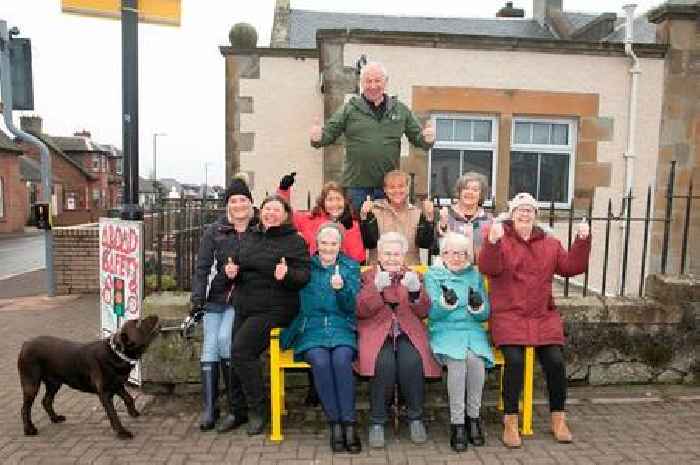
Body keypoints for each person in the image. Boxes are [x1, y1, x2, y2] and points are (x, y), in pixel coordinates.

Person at [479, 192, 591, 448]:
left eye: (530, 210)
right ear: (512, 214)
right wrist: (492, 242)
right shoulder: (501, 238)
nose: (525, 213)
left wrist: (582, 240)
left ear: (536, 216)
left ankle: (558, 418)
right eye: (520, 209)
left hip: (542, 316)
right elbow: (488, 267)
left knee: (555, 361)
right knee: (515, 362)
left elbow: (571, 266)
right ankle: (510, 421)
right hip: (510, 315)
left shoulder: (550, 244)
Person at [229, 195, 311, 435]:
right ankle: (237, 411)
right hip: (245, 305)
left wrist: (287, 274)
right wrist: (234, 271)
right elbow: (240, 266)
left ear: (286, 214)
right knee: (234, 356)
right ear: (260, 212)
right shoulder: (252, 236)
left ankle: (259, 410)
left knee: (242, 351)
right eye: (267, 209)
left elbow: (304, 276)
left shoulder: (294, 241)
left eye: (276, 209)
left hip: (275, 307)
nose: (270, 213)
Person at [280, 223, 362, 453]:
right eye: (323, 243)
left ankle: (349, 423)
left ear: (340, 245)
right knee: (320, 361)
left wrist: (342, 289)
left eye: (333, 243)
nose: (328, 248)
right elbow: (288, 284)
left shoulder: (349, 267)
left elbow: (352, 307)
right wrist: (284, 275)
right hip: (311, 327)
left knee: (341, 359)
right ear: (316, 244)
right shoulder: (307, 267)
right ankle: (335, 423)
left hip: (341, 326)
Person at [309, 61, 435, 209]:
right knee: (358, 228)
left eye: (377, 81)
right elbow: (327, 135)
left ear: (385, 82)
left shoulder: (400, 110)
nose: (373, 86)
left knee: (387, 229)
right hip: (356, 187)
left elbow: (420, 140)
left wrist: (428, 139)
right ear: (361, 83)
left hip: (389, 188)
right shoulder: (349, 109)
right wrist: (317, 137)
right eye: (368, 81)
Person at [355, 232, 441, 449]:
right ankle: (377, 420)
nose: (392, 258)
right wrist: (376, 288)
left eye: (397, 254)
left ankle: (415, 417)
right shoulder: (366, 276)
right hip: (376, 331)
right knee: (382, 363)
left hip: (407, 330)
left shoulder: (412, 275)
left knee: (412, 361)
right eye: (387, 253)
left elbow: (424, 311)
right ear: (379, 255)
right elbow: (360, 310)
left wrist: (415, 293)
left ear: (403, 256)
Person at [189, 178, 256, 432]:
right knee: (209, 348)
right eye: (233, 201)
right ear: (227, 205)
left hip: (242, 299)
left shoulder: (258, 229)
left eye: (243, 200)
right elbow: (202, 268)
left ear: (250, 203)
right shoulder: (214, 231)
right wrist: (197, 298)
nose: (238, 205)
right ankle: (209, 408)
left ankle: (234, 405)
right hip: (215, 298)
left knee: (225, 340)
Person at [424, 233, 492, 452]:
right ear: (442, 254)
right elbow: (432, 314)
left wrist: (478, 306)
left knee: (476, 363)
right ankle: (458, 424)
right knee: (457, 362)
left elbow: (485, 314)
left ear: (468, 256)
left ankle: (473, 418)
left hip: (472, 332)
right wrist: (445, 303)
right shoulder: (434, 275)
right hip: (445, 332)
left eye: (461, 253)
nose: (455, 257)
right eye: (450, 253)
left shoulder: (475, 275)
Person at [278, 174, 366, 263]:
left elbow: (357, 259)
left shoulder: (352, 225)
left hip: (339, 273)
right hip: (312, 271)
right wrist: (283, 191)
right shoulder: (309, 219)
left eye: (338, 199)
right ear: (323, 202)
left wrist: (347, 230)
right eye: (330, 200)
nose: (335, 204)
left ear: (345, 202)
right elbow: (283, 216)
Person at [360, 170, 435, 265]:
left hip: (410, 272)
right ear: (385, 189)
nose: (397, 191)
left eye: (401, 186)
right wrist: (364, 218)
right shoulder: (374, 211)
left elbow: (426, 244)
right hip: (379, 273)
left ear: (408, 188)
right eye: (392, 187)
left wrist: (429, 219)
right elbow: (368, 243)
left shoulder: (418, 213)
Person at [435, 172, 492, 263]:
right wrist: (442, 225)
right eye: (466, 188)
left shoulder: (489, 219)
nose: (470, 192)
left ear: (481, 195)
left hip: (479, 273)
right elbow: (436, 245)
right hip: (451, 272)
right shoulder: (446, 214)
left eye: (475, 190)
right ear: (459, 191)